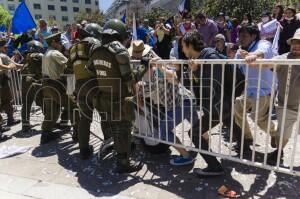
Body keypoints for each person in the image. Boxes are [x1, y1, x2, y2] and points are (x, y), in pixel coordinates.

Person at [181, 30, 243, 176]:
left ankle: (215, 166)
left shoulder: (210, 56)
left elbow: (212, 85)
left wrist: (195, 71)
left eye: (183, 46)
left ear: (190, 46)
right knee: (230, 122)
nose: (182, 50)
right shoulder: (199, 59)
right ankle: (244, 147)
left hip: (218, 105)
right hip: (219, 104)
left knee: (194, 132)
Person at [87, 19, 142, 173]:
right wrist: (142, 67)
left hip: (104, 96)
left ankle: (119, 152)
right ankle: (123, 162)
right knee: (123, 129)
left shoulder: (95, 49)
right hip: (120, 98)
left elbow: (91, 69)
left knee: (113, 127)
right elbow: (129, 79)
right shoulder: (119, 50)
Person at [247, 28, 300, 165]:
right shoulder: (283, 58)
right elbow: (265, 64)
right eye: (294, 42)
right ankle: (279, 151)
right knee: (284, 134)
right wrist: (252, 58)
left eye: (299, 42)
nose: (296, 45)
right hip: (286, 104)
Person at [68, 23, 112, 160]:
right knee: (105, 115)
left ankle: (84, 150)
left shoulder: (73, 47)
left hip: (79, 86)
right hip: (94, 83)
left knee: (84, 119)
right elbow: (100, 60)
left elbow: (69, 69)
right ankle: (109, 145)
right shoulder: (94, 43)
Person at [234, 25, 277, 150]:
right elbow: (238, 68)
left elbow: (262, 52)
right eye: (239, 35)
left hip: (265, 89)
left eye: (244, 36)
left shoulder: (263, 43)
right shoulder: (240, 51)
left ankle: (275, 134)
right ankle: (247, 138)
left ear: (253, 36)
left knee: (257, 118)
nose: (241, 38)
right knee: (237, 108)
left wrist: (253, 55)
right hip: (249, 89)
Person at [40, 32, 79, 145]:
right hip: (55, 85)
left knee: (51, 112)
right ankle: (78, 134)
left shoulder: (46, 53)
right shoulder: (55, 53)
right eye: (59, 42)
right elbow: (69, 65)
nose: (61, 44)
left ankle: (45, 134)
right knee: (73, 106)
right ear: (53, 42)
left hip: (46, 85)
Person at [0, 39, 22, 141]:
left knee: (6, 101)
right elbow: (13, 65)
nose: (6, 48)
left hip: (3, 81)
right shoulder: (2, 56)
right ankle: (10, 120)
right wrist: (10, 67)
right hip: (2, 82)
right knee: (7, 100)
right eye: (4, 47)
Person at [21, 40, 44, 132]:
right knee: (43, 102)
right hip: (35, 82)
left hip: (25, 82)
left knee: (26, 104)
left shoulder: (26, 57)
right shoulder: (39, 56)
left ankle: (25, 125)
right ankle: (49, 123)